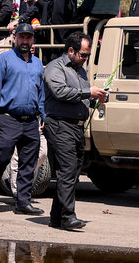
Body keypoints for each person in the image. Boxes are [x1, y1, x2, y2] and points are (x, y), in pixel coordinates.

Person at [44, 32, 107, 230]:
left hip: (76, 128)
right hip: (60, 125)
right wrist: (89, 92)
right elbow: (60, 92)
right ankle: (68, 216)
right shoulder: (56, 67)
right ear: (71, 51)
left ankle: (57, 217)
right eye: (83, 54)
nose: (86, 58)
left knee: (71, 172)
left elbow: (81, 97)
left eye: (88, 55)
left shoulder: (80, 69)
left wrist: (96, 98)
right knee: (67, 171)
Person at [0, 23, 45, 215]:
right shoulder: (4, 60)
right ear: (15, 38)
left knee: (28, 163)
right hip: (9, 118)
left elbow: (40, 91)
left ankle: (23, 202)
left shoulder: (37, 63)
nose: (25, 41)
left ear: (33, 40)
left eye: (29, 37)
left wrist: (43, 114)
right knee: (0, 159)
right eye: (22, 37)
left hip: (31, 121)